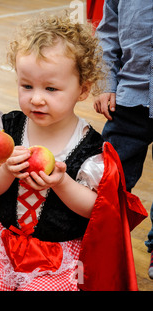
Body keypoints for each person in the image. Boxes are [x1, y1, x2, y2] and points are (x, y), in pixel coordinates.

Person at [0, 14, 146, 291]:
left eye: (51, 88)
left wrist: (62, 183)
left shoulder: (91, 149)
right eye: (27, 86)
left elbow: (93, 209)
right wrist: (5, 169)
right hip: (3, 244)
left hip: (57, 254)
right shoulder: (5, 130)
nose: (36, 98)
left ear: (83, 90)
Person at [92, 0, 153, 279]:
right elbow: (108, 32)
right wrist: (106, 83)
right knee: (107, 180)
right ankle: (96, 244)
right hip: (129, 99)